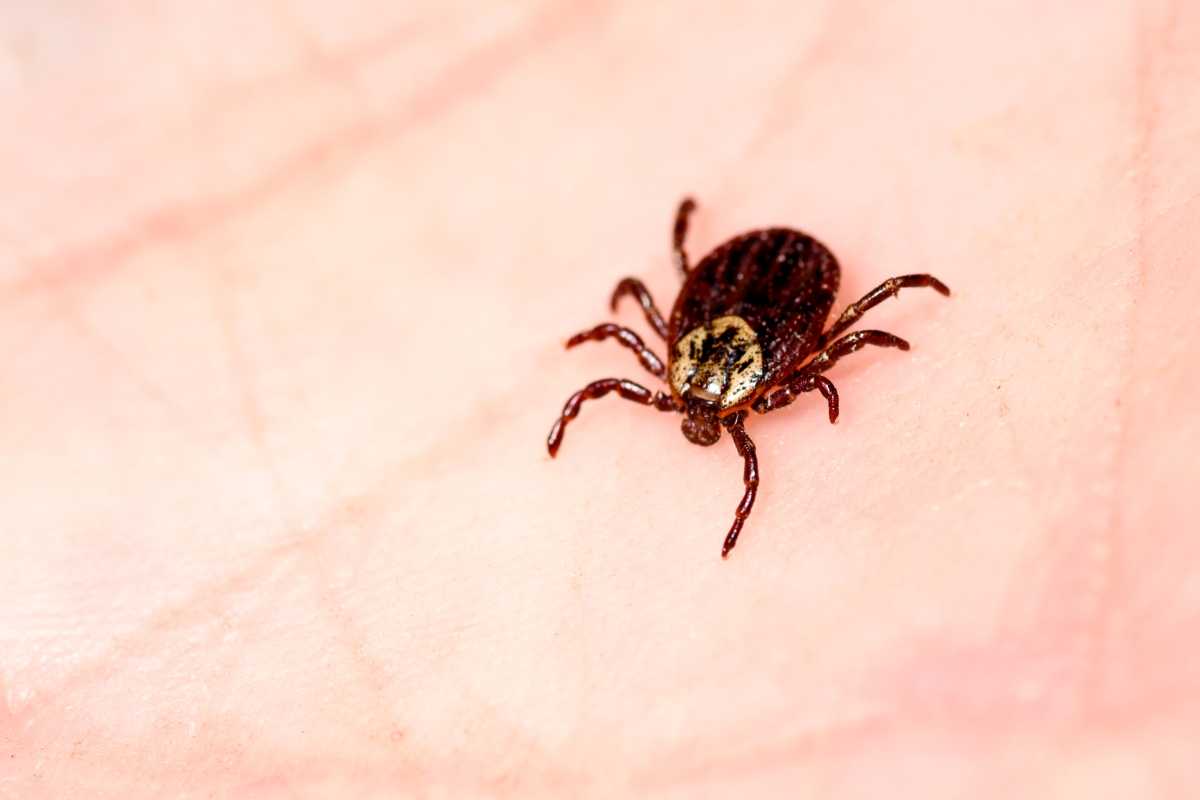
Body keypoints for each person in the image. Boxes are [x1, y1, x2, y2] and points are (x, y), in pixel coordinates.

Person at [3, 3, 1196, 796]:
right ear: (681, 369)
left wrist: (782, 368)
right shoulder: (729, 364)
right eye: (695, 401)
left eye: (712, 407)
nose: (699, 418)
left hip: (766, 284)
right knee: (710, 313)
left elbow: (746, 313)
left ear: (762, 378)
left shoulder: (747, 367)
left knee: (759, 309)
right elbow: (661, 327)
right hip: (770, 288)